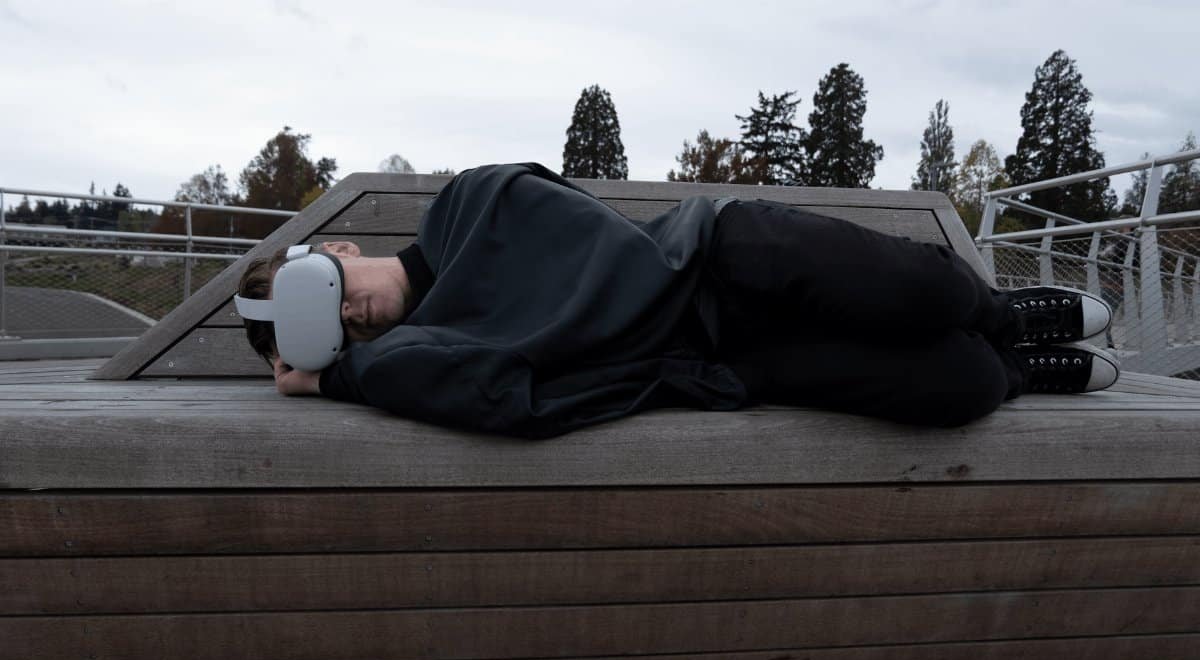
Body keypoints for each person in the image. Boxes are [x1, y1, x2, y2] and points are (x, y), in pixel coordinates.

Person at [237, 163, 1119, 438]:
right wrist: (337, 378)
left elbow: (590, 240)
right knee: (958, 388)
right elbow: (502, 401)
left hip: (715, 257)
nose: (352, 316)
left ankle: (1010, 315)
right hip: (719, 357)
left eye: (330, 290)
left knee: (926, 290)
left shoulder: (469, 204)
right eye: (331, 330)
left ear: (342, 250)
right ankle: (1013, 369)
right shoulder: (419, 356)